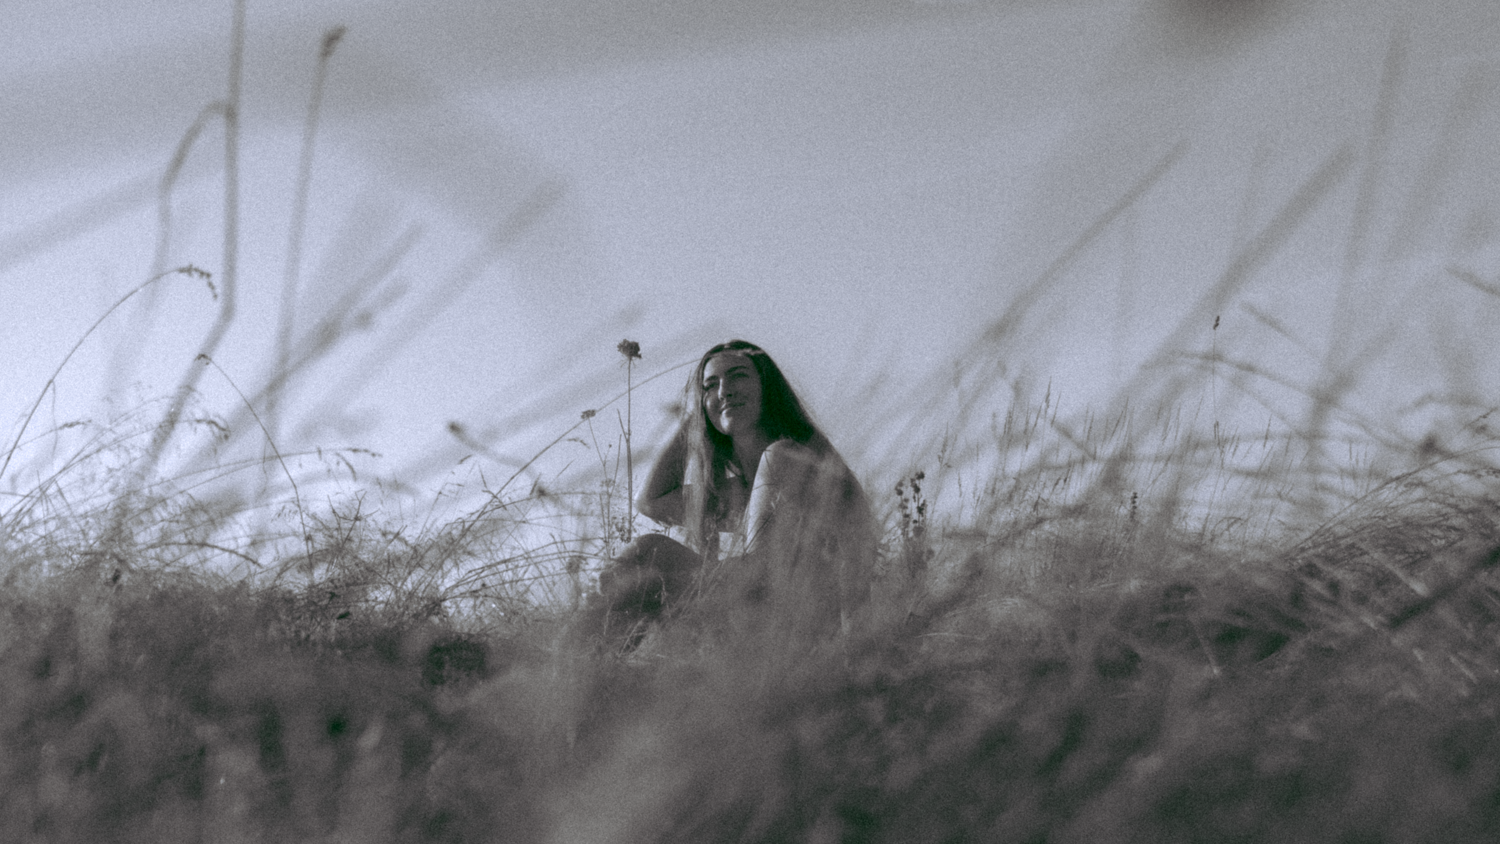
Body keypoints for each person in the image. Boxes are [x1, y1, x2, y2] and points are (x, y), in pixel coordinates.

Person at [580, 339, 876, 650]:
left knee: (647, 556)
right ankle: (587, 665)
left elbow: (858, 541)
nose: (724, 390)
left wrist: (855, 647)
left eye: (738, 376)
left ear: (767, 388)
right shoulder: (736, 493)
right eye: (711, 385)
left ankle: (577, 661)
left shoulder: (794, 460)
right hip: (742, 624)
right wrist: (698, 419)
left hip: (797, 626)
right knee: (647, 552)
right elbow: (650, 501)